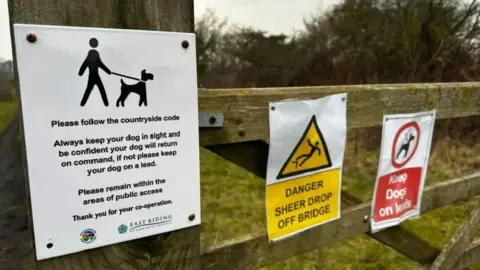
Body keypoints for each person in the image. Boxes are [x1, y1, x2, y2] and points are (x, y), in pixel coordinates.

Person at [78, 38, 111, 106]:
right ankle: (106, 103)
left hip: (91, 76)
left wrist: (81, 73)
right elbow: (102, 66)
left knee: (88, 90)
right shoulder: (97, 60)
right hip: (96, 76)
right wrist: (109, 72)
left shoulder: (88, 59)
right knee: (102, 89)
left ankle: (82, 103)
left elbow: (82, 68)